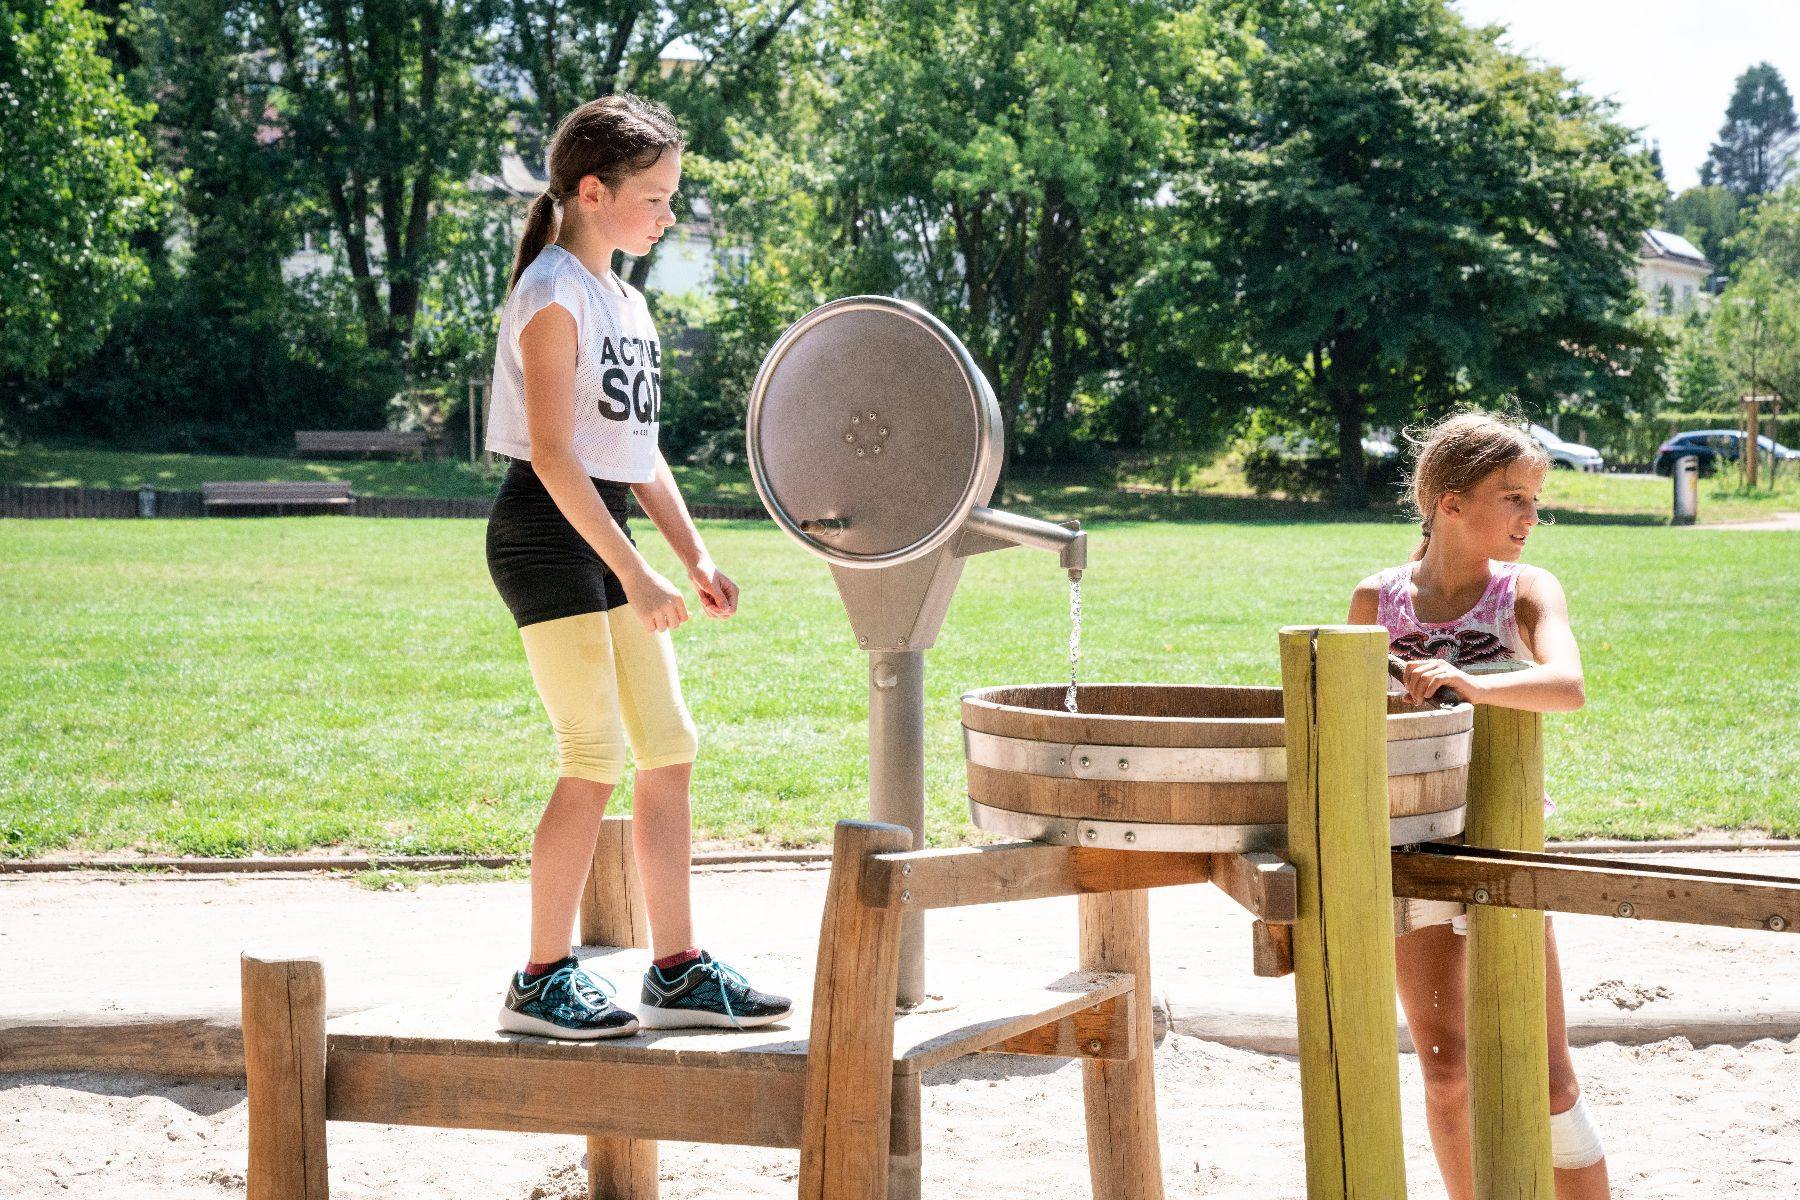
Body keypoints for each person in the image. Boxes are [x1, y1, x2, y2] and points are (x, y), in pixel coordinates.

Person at [484, 94, 789, 1039]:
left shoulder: (626, 300)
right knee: (593, 756)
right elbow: (553, 454)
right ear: (592, 190)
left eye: (672, 198)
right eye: (655, 198)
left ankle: (678, 969)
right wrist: (638, 573)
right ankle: (539, 979)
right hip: (545, 536)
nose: (669, 214)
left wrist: (691, 554)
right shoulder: (550, 294)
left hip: (603, 532)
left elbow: (636, 450)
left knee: (670, 746)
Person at [1347, 411, 1610, 1199]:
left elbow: (1568, 687)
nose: (1533, 517)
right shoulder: (1377, 600)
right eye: (1514, 498)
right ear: (1449, 503)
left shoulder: (1525, 590)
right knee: (1447, 1069)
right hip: (1410, 852)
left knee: (1549, 1078)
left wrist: (1470, 683)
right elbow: (1348, 716)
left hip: (1506, 841)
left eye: (1536, 499)